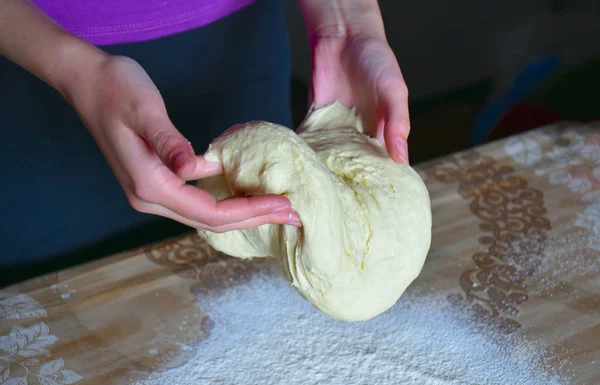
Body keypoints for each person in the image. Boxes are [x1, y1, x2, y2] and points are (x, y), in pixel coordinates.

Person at [0, 0, 410, 279]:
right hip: (34, 62)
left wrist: (345, 23)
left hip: (237, 51)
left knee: (248, 277)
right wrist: (70, 70)